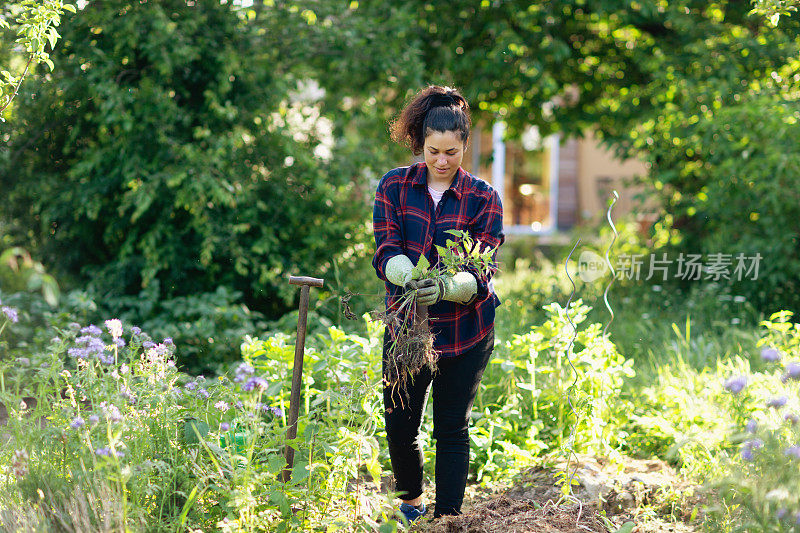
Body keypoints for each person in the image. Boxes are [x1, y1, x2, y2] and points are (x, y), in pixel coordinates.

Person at [371, 85, 505, 522]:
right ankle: (411, 504)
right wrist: (406, 275)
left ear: (465, 144)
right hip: (408, 329)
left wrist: (449, 287)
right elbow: (385, 247)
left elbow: (484, 268)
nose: (442, 161)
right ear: (420, 144)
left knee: (451, 427)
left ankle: (447, 520)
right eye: (433, 151)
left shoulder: (483, 197)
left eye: (452, 151)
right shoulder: (394, 185)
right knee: (400, 422)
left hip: (466, 332)